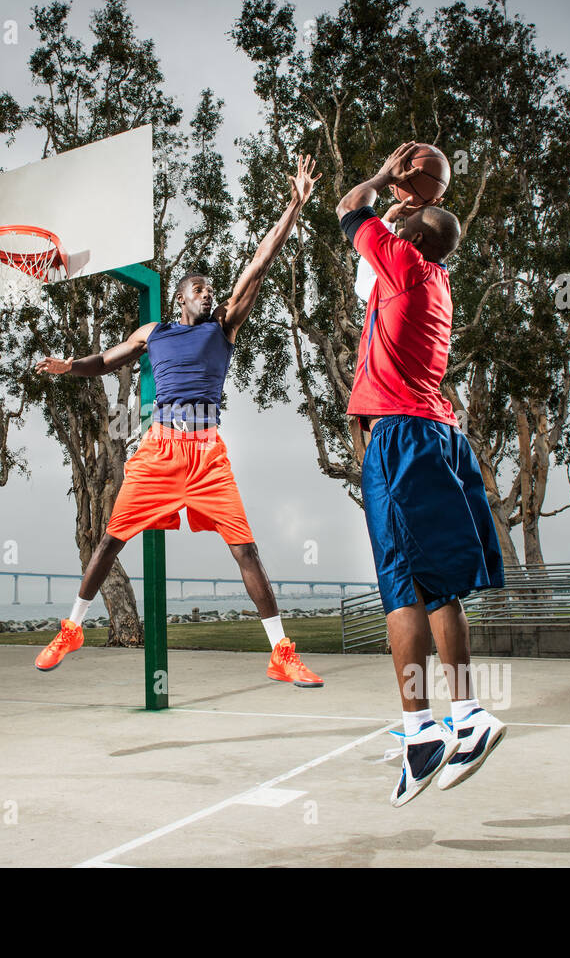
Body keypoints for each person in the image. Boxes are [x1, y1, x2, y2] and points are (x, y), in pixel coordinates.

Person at [33, 155, 324, 688]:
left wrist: (293, 207)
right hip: (159, 450)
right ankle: (72, 628)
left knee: (246, 548)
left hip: (207, 453)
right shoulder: (154, 331)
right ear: (181, 298)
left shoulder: (223, 329)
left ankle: (281, 651)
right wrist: (68, 366)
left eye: (213, 288)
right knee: (109, 541)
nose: (210, 293)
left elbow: (258, 264)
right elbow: (107, 360)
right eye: (201, 289)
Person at [336, 142, 507, 807]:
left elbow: (352, 206)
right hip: (434, 433)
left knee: (401, 590)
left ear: (412, 233)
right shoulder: (434, 281)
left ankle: (423, 728)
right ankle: (459, 716)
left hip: (402, 438)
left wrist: (384, 176)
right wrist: (419, 198)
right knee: (436, 587)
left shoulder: (403, 260)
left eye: (404, 217)